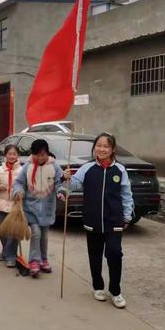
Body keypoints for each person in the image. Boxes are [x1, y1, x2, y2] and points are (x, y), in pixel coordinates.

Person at [63, 132, 133, 309]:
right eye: (98, 146)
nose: (101, 149)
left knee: (115, 253)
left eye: (105, 146)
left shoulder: (120, 170)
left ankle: (115, 291)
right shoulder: (87, 169)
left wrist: (127, 215)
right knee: (94, 256)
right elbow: (74, 185)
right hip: (92, 219)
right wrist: (67, 178)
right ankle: (98, 286)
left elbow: (126, 195)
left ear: (112, 149)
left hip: (114, 221)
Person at [13, 139, 66, 278]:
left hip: (47, 209)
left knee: (45, 236)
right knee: (36, 233)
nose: (40, 157)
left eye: (43, 154)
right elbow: (19, 183)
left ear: (47, 153)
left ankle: (44, 259)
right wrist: (19, 191)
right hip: (30, 208)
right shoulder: (27, 167)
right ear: (33, 154)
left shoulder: (54, 167)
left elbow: (60, 182)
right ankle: (34, 261)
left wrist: (61, 192)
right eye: (37, 154)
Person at [0, 144, 22, 268]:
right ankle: (5, 251)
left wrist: (21, 193)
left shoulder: (22, 170)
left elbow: (26, 185)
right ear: (5, 155)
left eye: (14, 154)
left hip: (15, 206)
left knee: (13, 233)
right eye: (9, 154)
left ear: (17, 155)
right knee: (3, 232)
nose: (12, 156)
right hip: (2, 205)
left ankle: (12, 256)